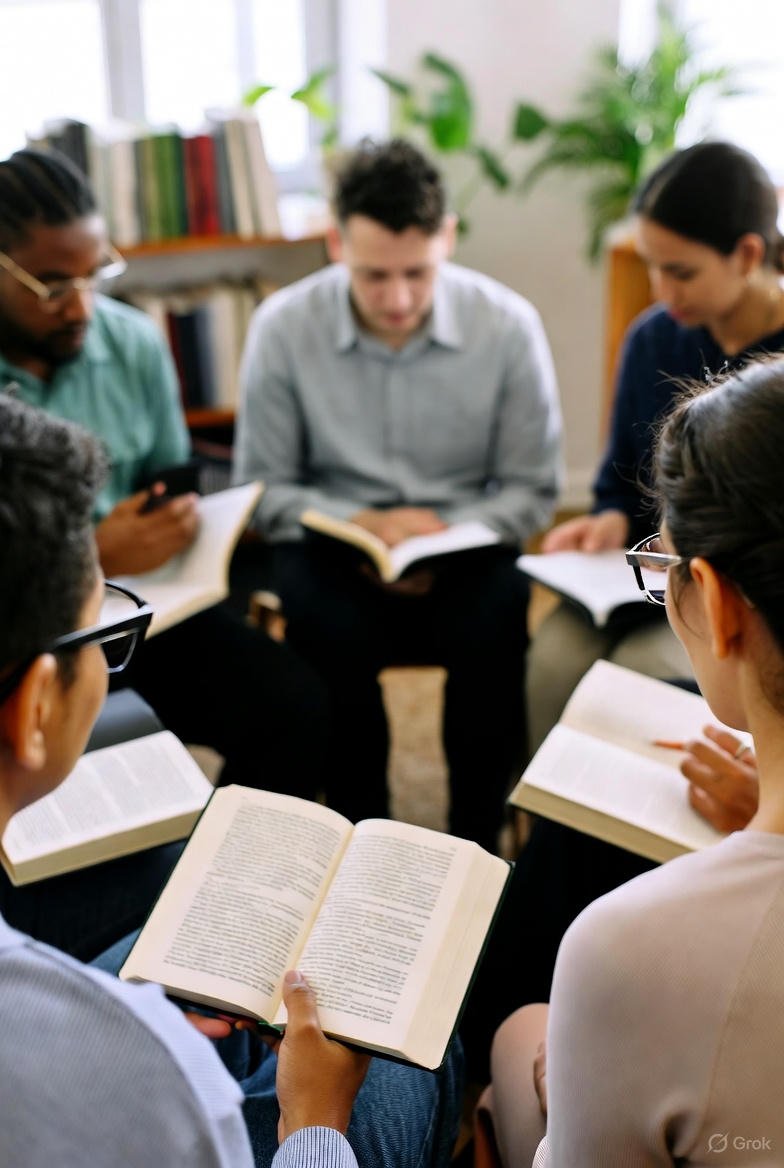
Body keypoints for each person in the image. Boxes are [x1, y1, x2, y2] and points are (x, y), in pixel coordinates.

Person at [0, 394, 462, 1168]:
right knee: (406, 1039)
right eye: (104, 634)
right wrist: (314, 1122)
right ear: (37, 702)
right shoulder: (144, 1074)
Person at [487, 354, 784, 1164]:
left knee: (520, 1032)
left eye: (666, 572)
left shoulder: (625, 951)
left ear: (717, 604)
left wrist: (562, 1093)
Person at [234, 138, 562, 851]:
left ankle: (478, 840)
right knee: (321, 628)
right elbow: (259, 489)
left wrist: (442, 530)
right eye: (373, 275)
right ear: (334, 243)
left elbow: (534, 490)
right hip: (333, 543)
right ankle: (361, 838)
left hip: (464, 544)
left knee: (500, 620)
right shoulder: (283, 328)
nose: (398, 298)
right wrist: (361, 522)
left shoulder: (507, 327)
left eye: (417, 272)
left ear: (447, 237)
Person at [0, 148, 329, 799]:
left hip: (147, 612)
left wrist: (179, 529)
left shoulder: (134, 344)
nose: (82, 307)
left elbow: (167, 485)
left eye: (95, 275)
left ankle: (221, 876)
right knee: (107, 777)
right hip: (26, 639)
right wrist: (94, 555)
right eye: (53, 285)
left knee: (299, 710)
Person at [527, 140, 784, 755]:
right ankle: (540, 825)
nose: (661, 289)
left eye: (681, 271)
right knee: (553, 663)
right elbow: (618, 482)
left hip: (739, 599)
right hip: (640, 575)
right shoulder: (652, 340)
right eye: (652, 265)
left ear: (748, 254)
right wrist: (607, 518)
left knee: (642, 683)